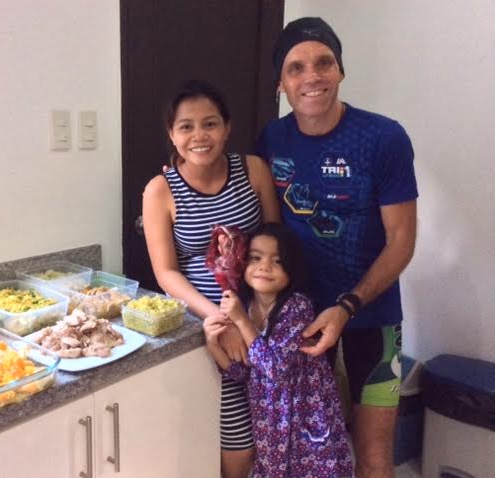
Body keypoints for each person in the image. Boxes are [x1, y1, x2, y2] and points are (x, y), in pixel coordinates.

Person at [255, 17, 418, 478]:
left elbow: (402, 241)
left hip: (372, 316)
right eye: (296, 67)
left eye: (324, 62)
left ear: (340, 70)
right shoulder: (272, 139)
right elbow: (259, 217)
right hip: (301, 319)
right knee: (307, 454)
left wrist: (347, 306)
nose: (312, 76)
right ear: (281, 84)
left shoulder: (383, 138)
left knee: (373, 454)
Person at [142, 79, 280, 478]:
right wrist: (218, 319)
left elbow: (276, 243)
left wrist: (256, 317)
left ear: (227, 127)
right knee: (239, 444)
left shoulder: (253, 170)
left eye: (210, 123)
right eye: (186, 126)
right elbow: (166, 271)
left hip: (263, 317)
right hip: (207, 326)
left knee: (271, 428)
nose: (199, 136)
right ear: (172, 134)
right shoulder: (160, 191)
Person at [204, 222, 353, 477]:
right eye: (256, 258)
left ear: (292, 269)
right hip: (270, 420)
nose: (265, 266)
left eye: (278, 260)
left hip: (305, 416)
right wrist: (212, 343)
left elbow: (275, 368)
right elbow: (244, 372)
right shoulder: (246, 306)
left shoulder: (297, 308)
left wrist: (241, 321)